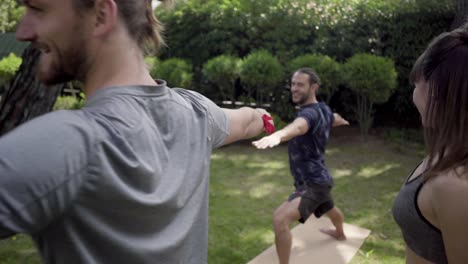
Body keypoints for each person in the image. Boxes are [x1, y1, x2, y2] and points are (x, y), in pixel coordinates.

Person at [0, 0, 274, 263]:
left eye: (38, 8)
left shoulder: (69, 143)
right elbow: (247, 121)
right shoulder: (196, 113)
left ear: (101, 15)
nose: (23, 31)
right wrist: (265, 119)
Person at [252, 68, 349, 264]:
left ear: (314, 87)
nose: (294, 88)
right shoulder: (324, 109)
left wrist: (278, 135)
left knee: (280, 220)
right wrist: (339, 121)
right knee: (330, 208)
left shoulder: (309, 114)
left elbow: (298, 126)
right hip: (321, 180)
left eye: (300, 85)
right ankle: (339, 233)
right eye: (293, 84)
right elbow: (333, 118)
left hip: (312, 183)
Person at [392, 25, 468, 264]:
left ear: (436, 90)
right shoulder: (448, 153)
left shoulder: (454, 185)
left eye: (416, 84)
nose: (414, 95)